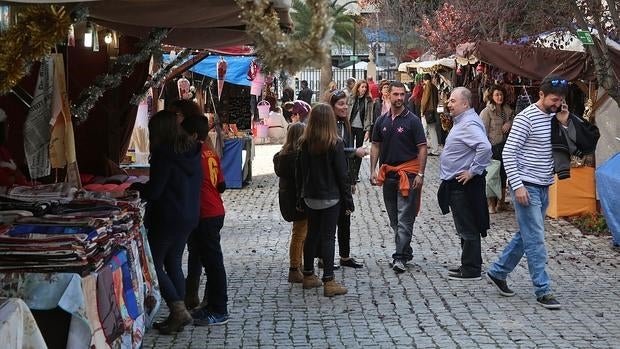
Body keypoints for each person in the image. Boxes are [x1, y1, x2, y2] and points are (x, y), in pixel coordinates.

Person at [487, 77, 571, 309]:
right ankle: (543, 290)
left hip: (544, 185)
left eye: (560, 100)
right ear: (541, 96)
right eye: (554, 100)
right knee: (536, 239)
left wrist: (563, 122)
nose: (557, 104)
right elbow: (509, 153)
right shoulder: (525, 118)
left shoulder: (555, 117)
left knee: (526, 235)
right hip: (526, 186)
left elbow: (564, 146)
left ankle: (498, 271)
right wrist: (518, 185)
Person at [130, 110, 202, 334]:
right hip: (189, 215)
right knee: (173, 262)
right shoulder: (192, 150)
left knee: (153, 263)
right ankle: (177, 314)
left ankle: (178, 309)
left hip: (168, 217)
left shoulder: (164, 153)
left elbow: (155, 190)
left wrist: (133, 187)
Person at [370, 81, 428, 273]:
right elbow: (376, 145)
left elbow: (422, 148)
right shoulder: (381, 121)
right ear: (388, 96)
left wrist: (420, 173)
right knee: (395, 219)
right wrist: (372, 170)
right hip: (388, 175)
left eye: (402, 94)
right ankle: (406, 249)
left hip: (408, 175)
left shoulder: (413, 121)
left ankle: (400, 257)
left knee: (404, 218)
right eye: (395, 94)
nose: (399, 98)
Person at [297, 103, 354, 297]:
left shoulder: (305, 143)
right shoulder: (335, 143)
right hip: (330, 196)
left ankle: (308, 274)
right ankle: (329, 281)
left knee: (312, 234)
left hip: (311, 196)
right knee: (329, 237)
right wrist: (348, 200)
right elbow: (341, 174)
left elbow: (301, 171)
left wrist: (301, 194)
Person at [437, 87, 492, 281]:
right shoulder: (464, 121)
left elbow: (485, 147)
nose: (449, 104)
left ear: (465, 104)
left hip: (463, 185)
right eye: (449, 101)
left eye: (452, 101)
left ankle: (471, 268)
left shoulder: (468, 123)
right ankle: (467, 264)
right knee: (464, 225)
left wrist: (473, 170)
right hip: (458, 184)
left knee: (467, 225)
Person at [180, 114, 229, 326]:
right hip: (213, 210)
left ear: (191, 134)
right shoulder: (211, 152)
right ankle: (210, 306)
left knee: (214, 263)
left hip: (207, 212)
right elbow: (222, 185)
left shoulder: (192, 154)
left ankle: (220, 309)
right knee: (209, 261)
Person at [330, 90, 364, 268]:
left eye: (346, 104)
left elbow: (347, 154)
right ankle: (323, 258)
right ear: (332, 106)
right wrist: (354, 152)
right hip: (330, 179)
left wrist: (352, 180)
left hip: (344, 178)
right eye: (340, 104)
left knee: (345, 216)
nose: (344, 107)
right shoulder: (327, 126)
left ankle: (345, 256)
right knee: (329, 220)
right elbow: (333, 151)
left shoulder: (346, 125)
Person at [274, 123, 307, 283]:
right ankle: (294, 267)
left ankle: (298, 265)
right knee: (300, 233)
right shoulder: (297, 157)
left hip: (287, 199)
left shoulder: (282, 155)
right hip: (297, 200)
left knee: (300, 232)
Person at [480, 85, 513, 213]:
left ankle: (501, 202)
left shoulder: (507, 110)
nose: (500, 97)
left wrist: (509, 123)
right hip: (492, 147)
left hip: (505, 146)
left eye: (501, 95)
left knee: (504, 175)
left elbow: (513, 119)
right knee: (492, 176)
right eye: (497, 94)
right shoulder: (486, 112)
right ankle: (491, 204)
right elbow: (482, 132)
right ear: (492, 96)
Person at [347, 79, 374, 180]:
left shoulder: (368, 100)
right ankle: (349, 172)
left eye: (365, 87)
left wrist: (367, 130)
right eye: (362, 87)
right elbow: (347, 111)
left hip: (361, 128)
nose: (364, 89)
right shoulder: (351, 97)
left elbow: (369, 117)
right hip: (350, 126)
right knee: (349, 149)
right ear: (357, 87)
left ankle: (355, 174)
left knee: (359, 151)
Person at [0, 108, 30, 187]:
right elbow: (7, 181)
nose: (8, 127)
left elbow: (19, 175)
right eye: (6, 125)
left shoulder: (3, 150)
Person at [420, 73, 441, 156]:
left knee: (424, 130)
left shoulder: (428, 86)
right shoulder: (434, 87)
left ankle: (422, 149)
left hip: (427, 111)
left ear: (424, 79)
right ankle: (434, 149)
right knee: (432, 130)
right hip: (432, 111)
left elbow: (425, 99)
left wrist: (422, 110)